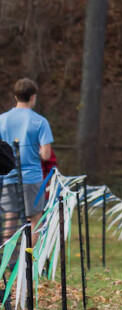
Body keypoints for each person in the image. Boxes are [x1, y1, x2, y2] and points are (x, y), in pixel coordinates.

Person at [0, 78, 54, 244]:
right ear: (33, 97)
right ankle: (31, 262)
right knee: (35, 221)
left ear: (16, 97)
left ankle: (8, 263)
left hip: (8, 176)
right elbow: (46, 155)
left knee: (10, 220)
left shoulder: (2, 119)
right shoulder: (40, 121)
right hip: (32, 178)